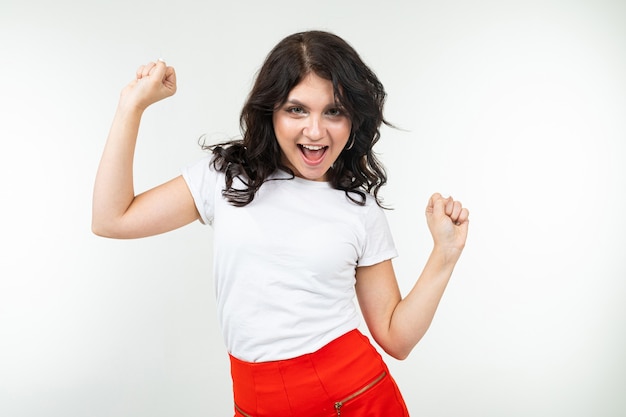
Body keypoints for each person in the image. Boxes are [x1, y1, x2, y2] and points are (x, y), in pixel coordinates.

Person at [92, 30, 469, 417]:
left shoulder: (358, 207)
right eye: (296, 110)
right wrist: (131, 106)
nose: (315, 131)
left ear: (353, 118)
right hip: (254, 402)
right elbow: (111, 219)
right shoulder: (226, 178)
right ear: (270, 110)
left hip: (353, 399)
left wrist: (444, 255)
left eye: (334, 111)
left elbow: (395, 338)